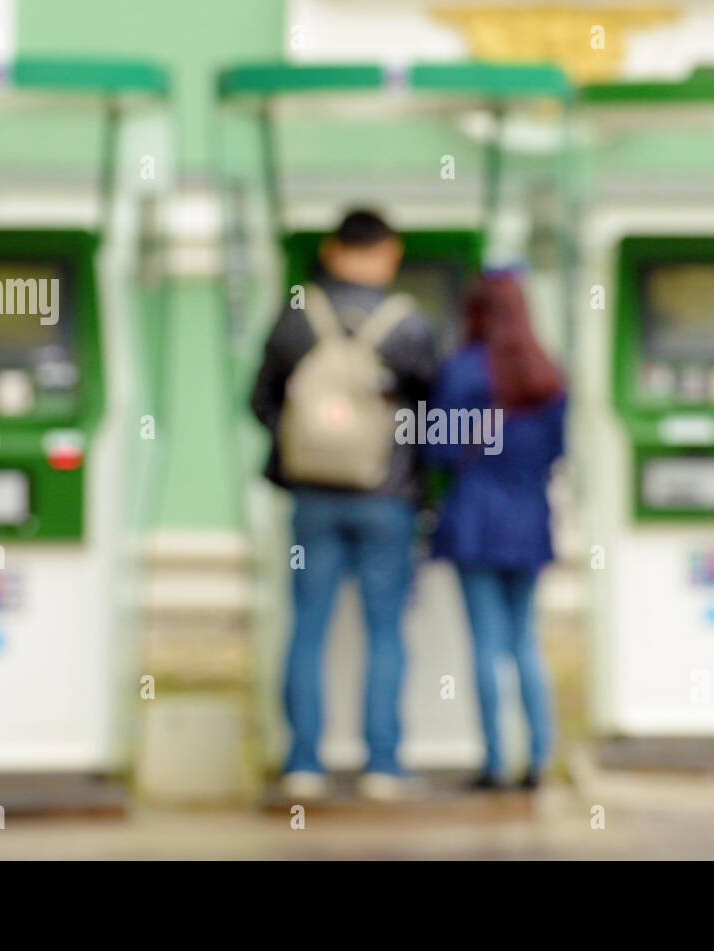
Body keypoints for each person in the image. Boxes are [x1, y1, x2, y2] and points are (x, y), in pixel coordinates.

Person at [250, 210, 438, 801]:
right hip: (387, 500)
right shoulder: (409, 324)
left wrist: (308, 448)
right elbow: (433, 418)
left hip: (313, 498)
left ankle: (303, 762)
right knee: (385, 629)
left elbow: (258, 402)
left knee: (307, 625)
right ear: (390, 251)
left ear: (332, 250)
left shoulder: (296, 313)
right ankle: (383, 764)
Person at [425, 271, 565, 790]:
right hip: (529, 517)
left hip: (475, 517)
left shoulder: (462, 371)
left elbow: (436, 448)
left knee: (486, 641)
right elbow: (558, 450)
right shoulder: (548, 374)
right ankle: (541, 757)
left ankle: (495, 762)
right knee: (525, 639)